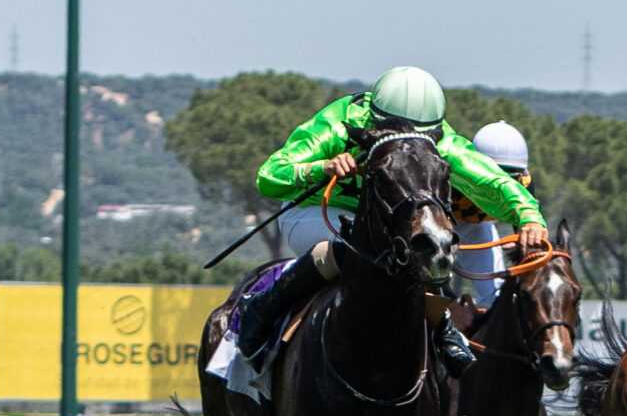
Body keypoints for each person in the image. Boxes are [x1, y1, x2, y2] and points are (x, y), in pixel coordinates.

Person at [233, 67, 545, 375]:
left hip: (377, 220)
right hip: (314, 212)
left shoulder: (439, 137)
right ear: (375, 118)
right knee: (363, 245)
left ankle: (436, 329)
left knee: (419, 244)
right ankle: (261, 311)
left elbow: (491, 180)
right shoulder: (337, 124)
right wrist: (321, 167)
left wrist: (529, 215)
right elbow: (269, 177)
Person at [458, 121, 535, 306]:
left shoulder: (525, 183)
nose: (502, 188)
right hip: (437, 222)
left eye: (509, 179)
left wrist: (521, 244)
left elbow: (526, 241)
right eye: (493, 178)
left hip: (474, 226)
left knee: (494, 297)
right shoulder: (451, 178)